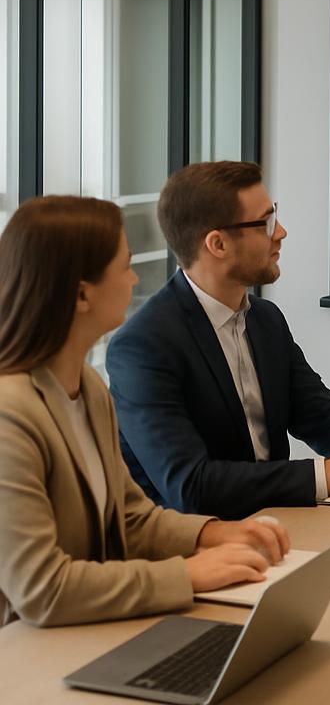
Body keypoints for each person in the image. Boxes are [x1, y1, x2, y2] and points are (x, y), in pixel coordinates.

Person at [0, 196, 292, 627]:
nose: (136, 280)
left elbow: (130, 517)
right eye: (125, 267)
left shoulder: (89, 389)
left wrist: (215, 533)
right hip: (27, 656)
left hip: (92, 627)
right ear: (81, 294)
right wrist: (187, 574)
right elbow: (44, 589)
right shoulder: (11, 414)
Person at [107, 161, 330, 521]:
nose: (280, 232)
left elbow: (316, 409)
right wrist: (326, 476)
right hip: (197, 549)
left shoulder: (265, 319)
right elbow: (190, 486)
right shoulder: (143, 345)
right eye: (265, 222)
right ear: (217, 244)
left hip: (279, 526)